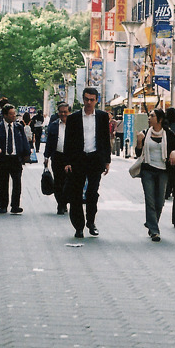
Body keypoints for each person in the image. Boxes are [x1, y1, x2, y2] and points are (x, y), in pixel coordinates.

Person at [63, 88, 111, 239]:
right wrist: (67, 161)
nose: (89, 102)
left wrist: (107, 160)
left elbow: (105, 139)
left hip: (95, 159)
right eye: (86, 99)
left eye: (92, 99)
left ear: (97, 100)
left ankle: (91, 222)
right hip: (78, 159)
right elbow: (68, 141)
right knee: (76, 194)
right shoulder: (74, 118)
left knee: (92, 192)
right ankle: (79, 226)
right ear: (82, 100)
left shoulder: (103, 117)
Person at [134, 109, 175, 242]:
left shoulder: (168, 134)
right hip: (148, 170)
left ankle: (151, 222)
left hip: (163, 171)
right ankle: (154, 230)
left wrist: (174, 153)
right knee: (150, 200)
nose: (149, 118)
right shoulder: (145, 133)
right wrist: (139, 142)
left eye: (152, 116)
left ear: (159, 119)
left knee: (160, 201)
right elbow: (138, 153)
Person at [0, 104, 30, 215]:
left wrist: (27, 153)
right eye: (11, 114)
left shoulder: (18, 127)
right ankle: (3, 205)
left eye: (14, 114)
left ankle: (15, 205)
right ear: (5, 115)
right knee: (2, 182)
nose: (14, 116)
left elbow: (24, 141)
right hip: (3, 158)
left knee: (17, 182)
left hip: (15, 158)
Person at [43, 102, 71, 215]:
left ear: (69, 112)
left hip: (71, 158)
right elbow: (49, 142)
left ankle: (66, 201)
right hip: (57, 157)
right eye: (61, 112)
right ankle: (61, 204)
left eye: (65, 112)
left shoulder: (75, 125)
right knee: (58, 182)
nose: (63, 114)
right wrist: (46, 156)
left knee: (69, 182)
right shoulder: (54, 125)